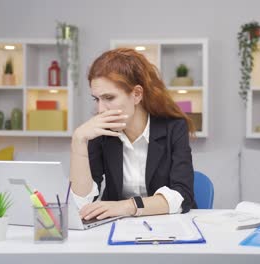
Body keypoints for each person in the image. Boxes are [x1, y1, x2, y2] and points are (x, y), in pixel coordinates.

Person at [70, 48, 197, 221]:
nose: (100, 109)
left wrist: (126, 206)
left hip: (168, 224)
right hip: (118, 226)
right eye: (96, 99)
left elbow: (182, 196)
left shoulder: (174, 128)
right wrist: (78, 141)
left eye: (109, 97)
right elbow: (82, 204)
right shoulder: (100, 131)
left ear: (136, 94)